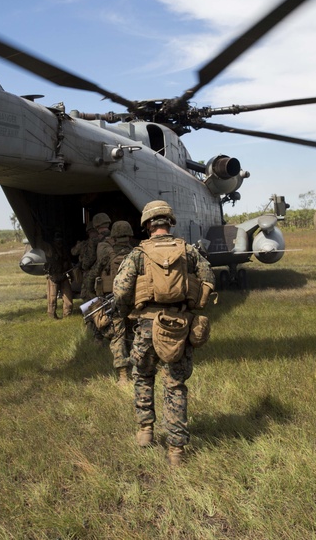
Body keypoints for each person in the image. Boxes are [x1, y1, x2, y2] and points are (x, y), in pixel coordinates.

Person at [113, 200, 214, 466]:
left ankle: (146, 431)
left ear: (147, 225)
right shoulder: (188, 252)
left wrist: (125, 312)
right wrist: (190, 304)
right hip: (179, 327)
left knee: (143, 376)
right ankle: (176, 450)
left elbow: (121, 290)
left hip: (146, 327)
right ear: (170, 223)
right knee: (175, 385)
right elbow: (209, 281)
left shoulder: (138, 254)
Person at [85, 220, 136, 383]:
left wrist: (97, 295)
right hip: (136, 302)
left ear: (113, 236)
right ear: (129, 235)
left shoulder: (107, 256)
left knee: (118, 335)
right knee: (137, 332)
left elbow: (91, 277)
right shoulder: (138, 254)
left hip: (113, 301)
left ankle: (123, 376)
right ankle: (139, 368)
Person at [73, 212, 111, 302]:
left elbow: (87, 263)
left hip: (95, 280)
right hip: (112, 278)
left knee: (92, 308)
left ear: (96, 225)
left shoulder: (94, 241)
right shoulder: (116, 237)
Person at [45, 234, 74, 320]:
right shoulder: (50, 250)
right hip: (53, 278)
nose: (59, 241)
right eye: (57, 239)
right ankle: (52, 317)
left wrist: (72, 276)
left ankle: (67, 316)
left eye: (60, 239)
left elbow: (68, 264)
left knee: (68, 300)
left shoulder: (64, 251)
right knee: (52, 300)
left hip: (63, 276)